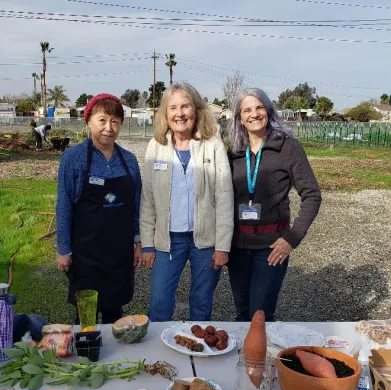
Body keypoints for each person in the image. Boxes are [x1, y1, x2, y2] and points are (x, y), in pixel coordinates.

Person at [140, 82, 234, 322]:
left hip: (204, 241)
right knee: (159, 303)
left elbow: (224, 197)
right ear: (165, 113)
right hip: (167, 240)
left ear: (196, 109)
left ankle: (198, 352)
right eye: (173, 108)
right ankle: (159, 356)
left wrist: (222, 246)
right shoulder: (156, 147)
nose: (179, 113)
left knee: (201, 302)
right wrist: (148, 244)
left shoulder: (212, 145)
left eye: (185, 106)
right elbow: (148, 199)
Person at [227, 88, 322, 322]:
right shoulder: (234, 152)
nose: (254, 114)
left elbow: (311, 194)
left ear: (269, 111)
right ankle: (243, 359)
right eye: (247, 110)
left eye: (259, 107)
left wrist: (292, 238)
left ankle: (260, 359)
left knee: (260, 316)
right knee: (241, 314)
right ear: (240, 118)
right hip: (236, 247)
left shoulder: (288, 148)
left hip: (271, 248)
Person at [56, 94, 142, 324]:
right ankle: (86, 357)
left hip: (119, 254)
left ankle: (114, 358)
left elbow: (136, 204)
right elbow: (64, 205)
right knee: (86, 316)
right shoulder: (73, 158)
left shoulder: (129, 160)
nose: (108, 128)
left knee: (115, 315)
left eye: (115, 121)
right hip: (86, 254)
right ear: (89, 121)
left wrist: (138, 241)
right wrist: (63, 249)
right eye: (102, 120)